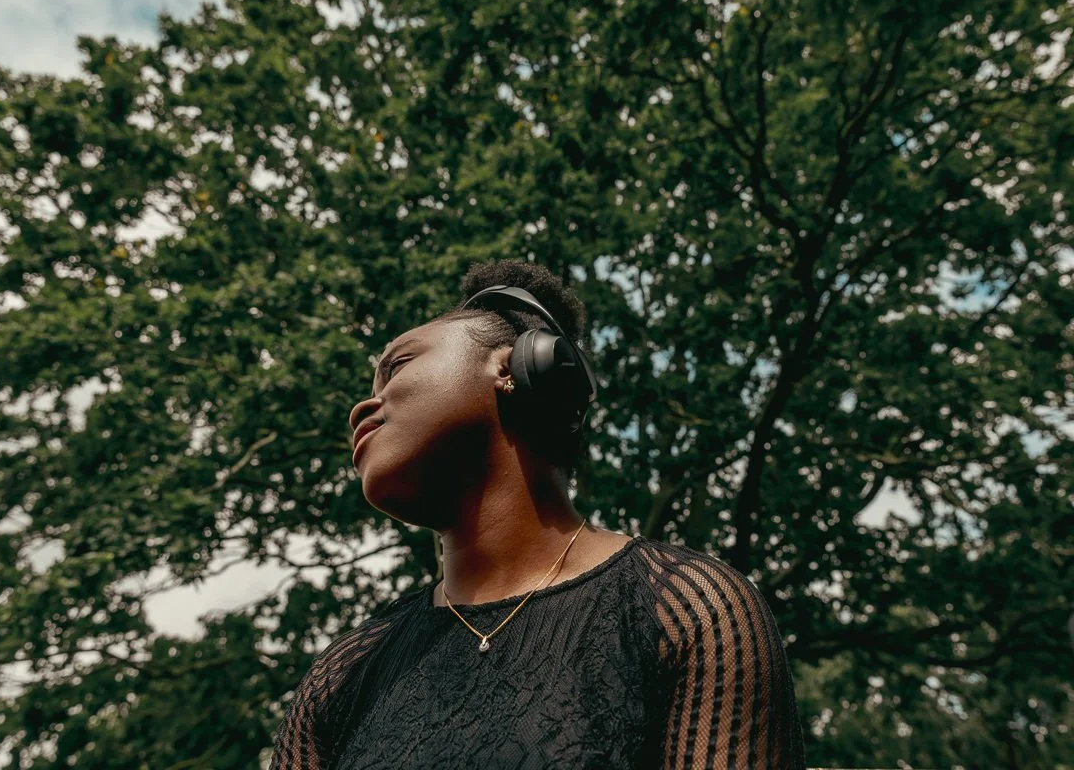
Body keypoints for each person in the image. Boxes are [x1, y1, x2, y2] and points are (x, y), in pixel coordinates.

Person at [267, 259, 806, 769]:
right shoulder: (344, 674)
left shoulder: (687, 611)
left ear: (516, 367)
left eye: (398, 366)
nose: (363, 407)